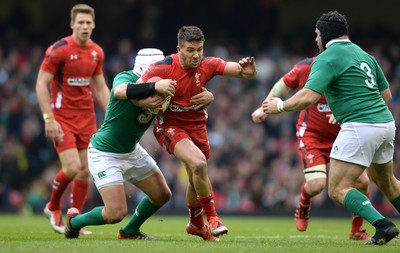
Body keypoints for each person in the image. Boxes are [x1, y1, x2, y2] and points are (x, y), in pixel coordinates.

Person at [262, 10, 400, 245]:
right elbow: (386, 94)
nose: (316, 40)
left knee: (337, 189)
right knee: (388, 183)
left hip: (360, 126)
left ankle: (383, 225)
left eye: (317, 35)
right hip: (385, 124)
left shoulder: (327, 57)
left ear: (324, 35)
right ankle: (379, 225)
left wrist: (281, 105)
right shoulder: (366, 55)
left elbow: (307, 96)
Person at [64, 48, 215, 239]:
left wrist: (208, 96)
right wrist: (153, 88)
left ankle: (130, 231)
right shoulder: (126, 77)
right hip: (105, 152)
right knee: (115, 213)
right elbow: (118, 91)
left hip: (131, 151)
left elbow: (186, 96)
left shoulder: (166, 82)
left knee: (162, 195)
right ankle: (74, 221)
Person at [138, 26, 257, 241]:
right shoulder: (163, 68)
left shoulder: (207, 64)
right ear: (179, 49)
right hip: (170, 127)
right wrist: (151, 99)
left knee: (196, 176)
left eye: (199, 49)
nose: (196, 55)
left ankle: (195, 223)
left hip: (197, 126)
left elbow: (237, 69)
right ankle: (213, 218)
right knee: (199, 165)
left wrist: (247, 72)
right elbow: (136, 89)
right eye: (190, 50)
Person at [252, 57, 371, 240]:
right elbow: (282, 85)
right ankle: (305, 199)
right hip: (313, 135)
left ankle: (356, 230)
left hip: (343, 134)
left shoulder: (350, 67)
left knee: (362, 182)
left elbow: (367, 97)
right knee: (317, 185)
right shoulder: (306, 67)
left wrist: (346, 113)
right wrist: (264, 108)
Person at [35, 3, 110, 235]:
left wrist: (112, 116)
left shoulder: (97, 52)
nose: (85, 26)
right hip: (62, 118)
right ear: (72, 24)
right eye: (81, 22)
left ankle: (73, 221)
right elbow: (41, 83)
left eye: (89, 23)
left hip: (86, 118)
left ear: (94, 24)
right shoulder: (58, 50)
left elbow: (100, 87)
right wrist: (48, 118)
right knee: (72, 167)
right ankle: (53, 206)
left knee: (85, 171)